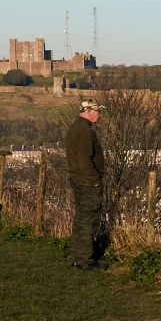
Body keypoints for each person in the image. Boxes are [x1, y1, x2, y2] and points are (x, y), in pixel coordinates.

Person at [66, 98, 106, 270]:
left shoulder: (75, 127)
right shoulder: (85, 130)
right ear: (89, 111)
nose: (100, 114)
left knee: (81, 219)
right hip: (87, 181)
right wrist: (95, 180)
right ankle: (85, 261)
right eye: (97, 111)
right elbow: (84, 159)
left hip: (78, 179)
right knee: (88, 220)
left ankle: (77, 258)